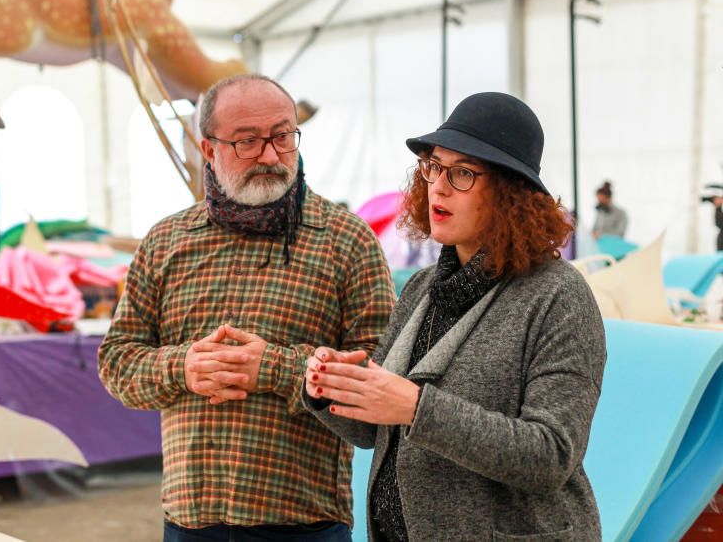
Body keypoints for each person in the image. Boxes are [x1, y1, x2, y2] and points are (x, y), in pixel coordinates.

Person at [98, 74, 395, 541]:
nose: (271, 156)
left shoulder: (346, 240)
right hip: (190, 522)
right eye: (248, 142)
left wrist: (276, 369)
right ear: (209, 149)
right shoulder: (167, 242)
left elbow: (382, 378)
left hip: (304, 525)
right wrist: (183, 366)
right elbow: (117, 361)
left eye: (282, 136)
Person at [304, 92, 606, 541]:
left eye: (462, 172)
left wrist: (415, 407)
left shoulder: (558, 296)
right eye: (433, 166)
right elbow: (375, 431)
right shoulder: (424, 288)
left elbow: (551, 455)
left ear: (510, 192)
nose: (438, 186)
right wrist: (332, 388)